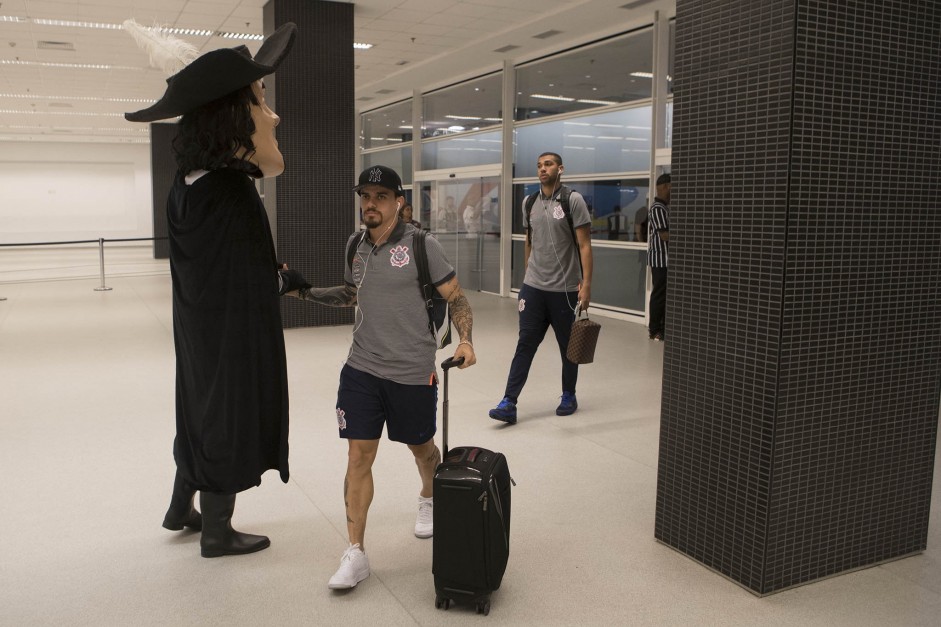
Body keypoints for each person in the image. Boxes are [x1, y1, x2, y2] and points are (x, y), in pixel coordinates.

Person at [123, 21, 299, 557]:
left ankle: (182, 506)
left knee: (198, 406)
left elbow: (220, 267)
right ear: (233, 119)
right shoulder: (232, 192)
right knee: (229, 408)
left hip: (198, 331)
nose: (273, 115)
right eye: (261, 102)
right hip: (231, 337)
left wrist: (282, 277)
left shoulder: (187, 186)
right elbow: (245, 278)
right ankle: (218, 530)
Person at [290, 165, 477, 590]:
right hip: (362, 367)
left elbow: (457, 297)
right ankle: (355, 552)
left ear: (398, 202)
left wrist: (466, 341)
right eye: (364, 195)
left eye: (379, 196)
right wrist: (302, 291)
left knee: (422, 448)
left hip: (412, 370)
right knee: (358, 455)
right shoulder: (356, 244)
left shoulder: (421, 245)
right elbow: (352, 295)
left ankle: (428, 497)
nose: (369, 204)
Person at [489, 152, 593, 424]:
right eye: (539, 165)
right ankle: (509, 402)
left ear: (561, 168)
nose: (542, 169)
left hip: (565, 290)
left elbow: (584, 245)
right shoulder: (529, 202)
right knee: (525, 345)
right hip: (534, 289)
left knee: (568, 348)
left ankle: (568, 395)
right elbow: (529, 241)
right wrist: (527, 279)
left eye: (548, 164)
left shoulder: (573, 201)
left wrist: (587, 285)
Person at [647, 173, 671, 341]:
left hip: (665, 260)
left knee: (663, 295)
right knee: (659, 295)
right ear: (664, 187)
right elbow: (664, 235)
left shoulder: (665, 208)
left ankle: (661, 327)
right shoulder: (657, 208)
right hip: (660, 260)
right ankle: (654, 329)